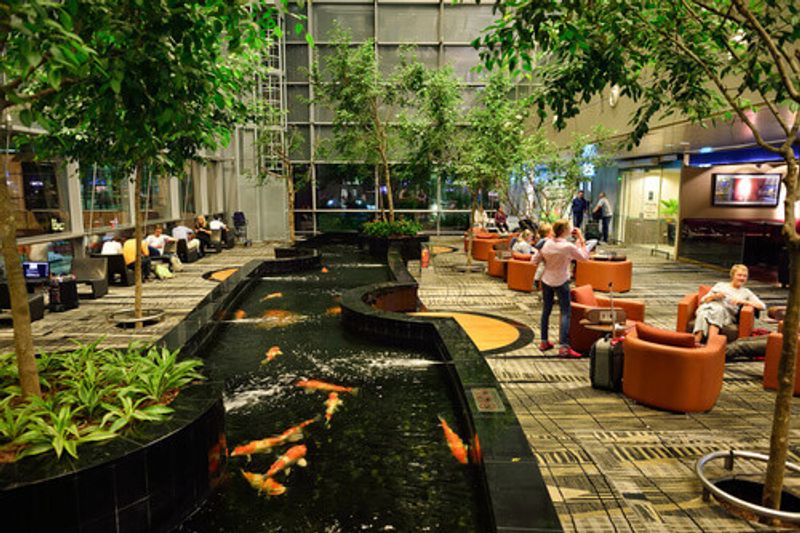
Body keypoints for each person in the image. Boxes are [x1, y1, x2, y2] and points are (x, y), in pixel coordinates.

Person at [533, 219, 589, 357]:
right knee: (565, 312)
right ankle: (564, 347)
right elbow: (584, 257)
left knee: (546, 311)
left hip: (546, 280)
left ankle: (544, 341)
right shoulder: (567, 246)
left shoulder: (546, 243)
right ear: (564, 231)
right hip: (561, 281)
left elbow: (534, 260)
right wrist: (581, 238)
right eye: (569, 227)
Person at [692, 264, 766, 344]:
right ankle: (711, 343)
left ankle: (697, 341)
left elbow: (762, 306)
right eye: (739, 275)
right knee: (709, 310)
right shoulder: (720, 285)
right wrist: (715, 296)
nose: (742, 278)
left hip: (726, 316)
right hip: (710, 307)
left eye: (744, 276)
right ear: (732, 276)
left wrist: (743, 301)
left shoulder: (746, 292)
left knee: (710, 311)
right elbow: (703, 301)